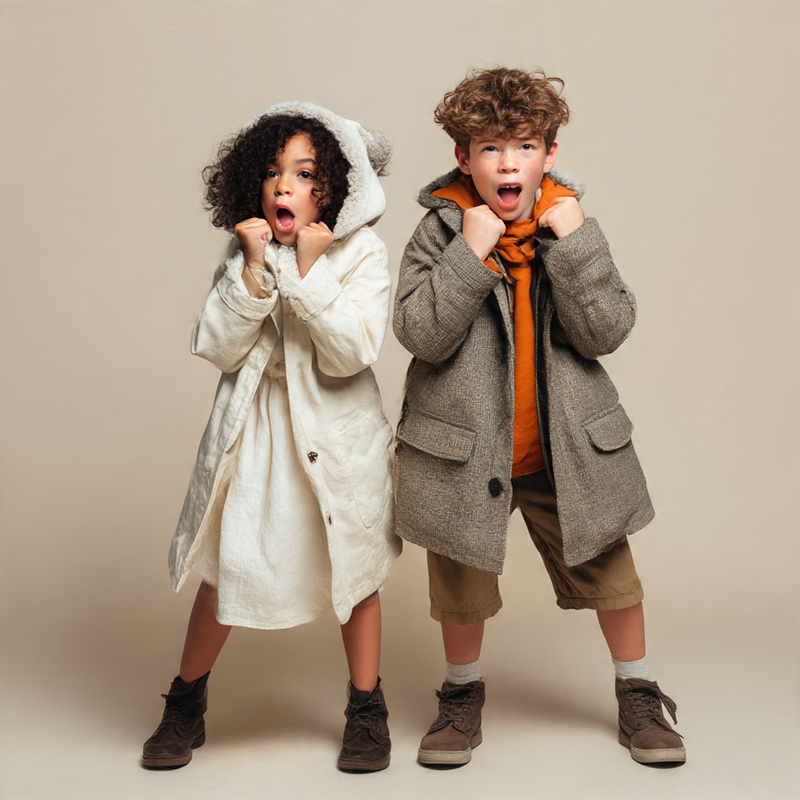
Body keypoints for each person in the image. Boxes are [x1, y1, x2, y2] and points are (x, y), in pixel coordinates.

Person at [393, 67, 685, 767]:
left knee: (613, 572)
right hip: (466, 448)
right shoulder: (439, 232)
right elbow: (420, 334)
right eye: (489, 148)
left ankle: (638, 691)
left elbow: (607, 330)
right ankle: (461, 697)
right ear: (463, 158)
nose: (507, 162)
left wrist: (578, 245)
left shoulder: (570, 225)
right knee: (460, 580)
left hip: (565, 448)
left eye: (522, 146)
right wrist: (470, 250)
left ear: (548, 154)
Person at [142, 102, 401, 773]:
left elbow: (352, 352)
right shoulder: (247, 251)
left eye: (304, 172)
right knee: (225, 568)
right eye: (271, 172)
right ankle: (185, 701)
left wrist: (311, 275)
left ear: (334, 188)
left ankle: (366, 709)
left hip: (337, 442)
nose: (284, 185)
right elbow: (216, 345)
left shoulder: (363, 254)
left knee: (355, 572)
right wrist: (258, 270)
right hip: (258, 438)